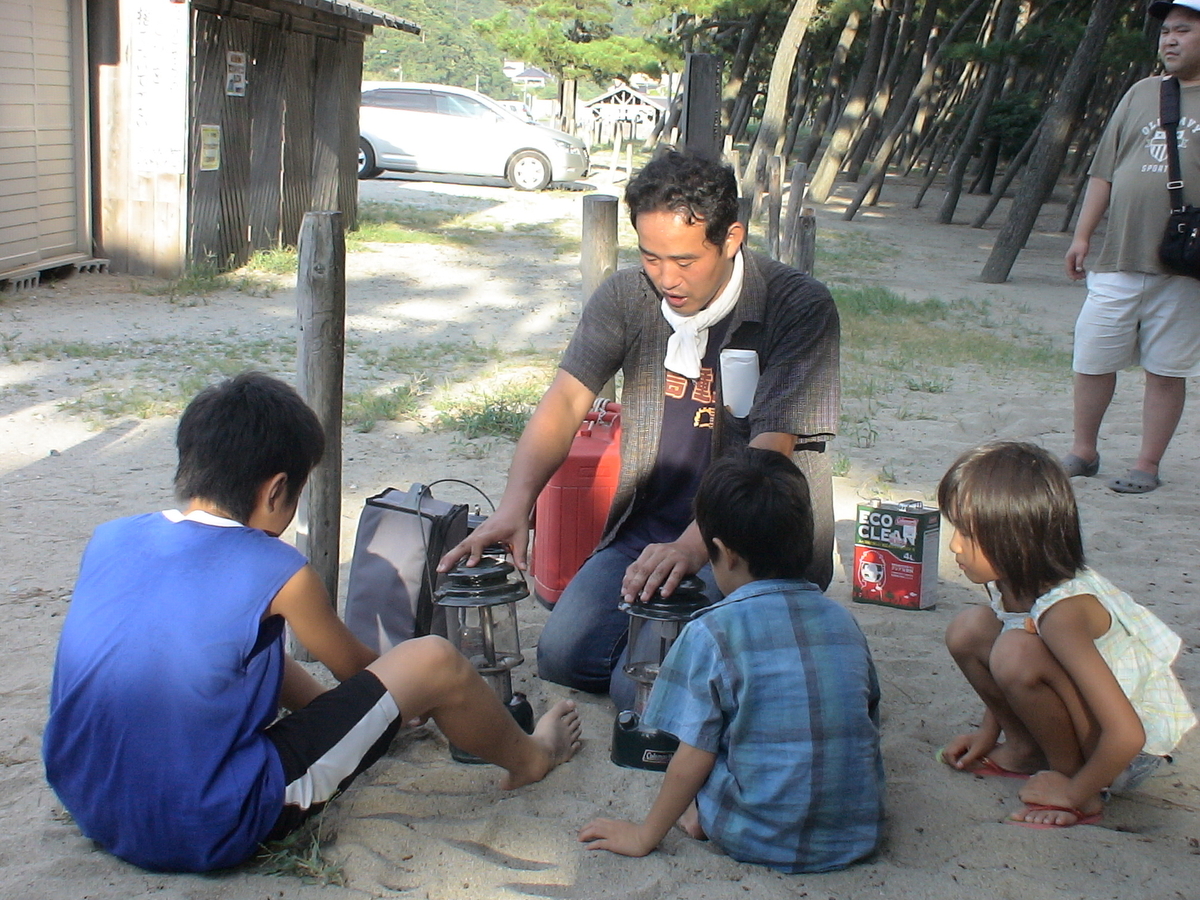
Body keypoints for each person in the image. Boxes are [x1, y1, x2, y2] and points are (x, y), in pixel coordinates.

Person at [42, 372, 581, 873]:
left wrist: (346, 714)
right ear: (278, 490)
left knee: (238, 647)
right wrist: (403, 699)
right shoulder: (280, 570)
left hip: (90, 798)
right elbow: (361, 670)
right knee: (435, 661)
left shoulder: (112, 537)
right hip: (209, 823)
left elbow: (238, 654)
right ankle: (532, 756)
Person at [439, 149, 840, 709]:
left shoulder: (796, 305)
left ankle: (778, 640)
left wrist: (690, 548)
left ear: (731, 239)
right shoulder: (629, 297)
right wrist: (514, 507)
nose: (666, 279)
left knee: (640, 689)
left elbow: (770, 452)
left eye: (684, 260)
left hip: (747, 546)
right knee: (564, 659)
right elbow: (563, 402)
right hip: (647, 527)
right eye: (651, 257)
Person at [577, 449, 884, 872]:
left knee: (713, 750)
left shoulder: (711, 631)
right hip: (855, 833)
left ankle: (702, 818)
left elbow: (693, 756)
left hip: (755, 835)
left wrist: (645, 834)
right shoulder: (843, 622)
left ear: (723, 552)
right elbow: (868, 712)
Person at [937, 441, 1195, 828]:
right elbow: (1007, 638)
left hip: (1125, 755)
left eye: (969, 534)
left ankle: (1078, 785)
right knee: (969, 630)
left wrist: (1076, 794)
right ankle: (1025, 750)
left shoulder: (1064, 612)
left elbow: (1127, 734)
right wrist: (988, 733)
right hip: (1099, 731)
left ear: (1017, 538)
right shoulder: (1012, 582)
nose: (955, 544)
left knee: (1016, 653)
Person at [1061, 0, 1200, 494]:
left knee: (1166, 368)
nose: (1170, 40)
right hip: (1119, 255)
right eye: (1166, 31)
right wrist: (1082, 235)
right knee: (1093, 355)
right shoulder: (1142, 93)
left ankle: (1147, 463)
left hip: (1184, 265)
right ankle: (1083, 450)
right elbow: (1104, 170)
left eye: (1183, 30)